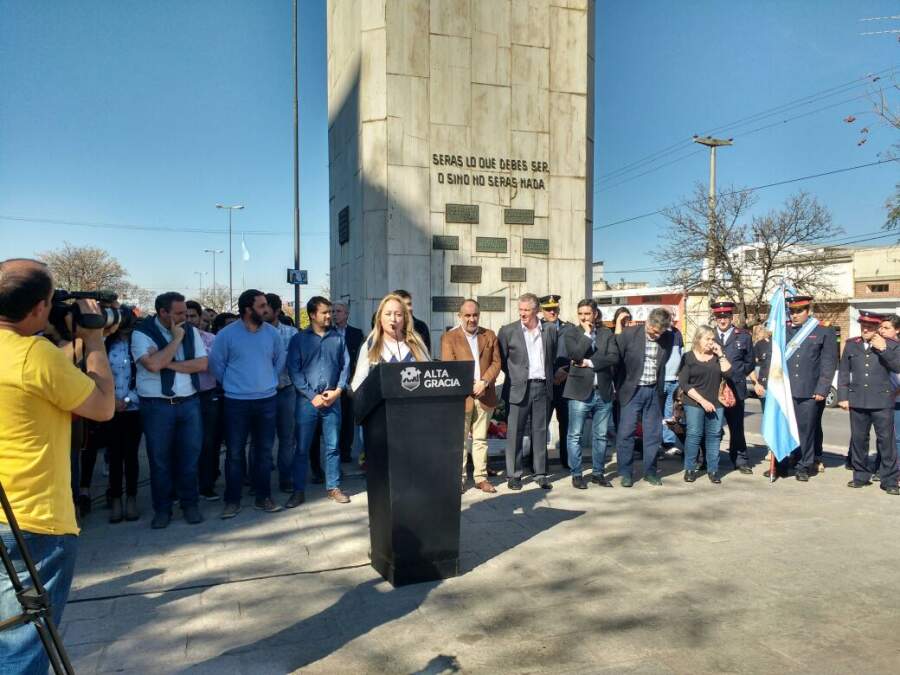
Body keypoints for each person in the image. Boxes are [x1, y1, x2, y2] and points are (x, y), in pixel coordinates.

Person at [0, 259, 115, 672]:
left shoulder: (35, 356)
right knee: (22, 646)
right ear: (36, 309)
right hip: (31, 522)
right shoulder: (35, 355)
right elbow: (102, 407)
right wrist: (95, 340)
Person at [132, 292, 208, 528]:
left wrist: (167, 363)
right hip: (157, 405)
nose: (184, 317)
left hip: (189, 403)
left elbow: (202, 364)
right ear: (162, 312)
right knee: (160, 460)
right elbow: (151, 364)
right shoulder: (141, 333)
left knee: (189, 457)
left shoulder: (191, 331)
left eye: (185, 312)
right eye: (178, 313)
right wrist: (175, 340)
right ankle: (163, 509)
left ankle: (190, 504)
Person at [209, 289, 285, 518]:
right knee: (234, 453)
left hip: (267, 401)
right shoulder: (227, 334)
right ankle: (232, 500)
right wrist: (234, 384)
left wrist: (268, 381)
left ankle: (263, 498)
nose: (266, 309)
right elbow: (216, 364)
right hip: (236, 402)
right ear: (247, 309)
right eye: (261, 306)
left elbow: (279, 360)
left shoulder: (272, 334)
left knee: (263, 452)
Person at [285, 297, 351, 507]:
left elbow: (345, 366)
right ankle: (298, 490)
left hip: (332, 401)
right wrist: (310, 395)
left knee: (332, 447)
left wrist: (338, 391)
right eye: (324, 312)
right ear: (312, 314)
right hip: (307, 402)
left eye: (331, 311)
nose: (329, 315)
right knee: (302, 448)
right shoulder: (299, 340)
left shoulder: (338, 338)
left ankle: (333, 487)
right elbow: (294, 370)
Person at [497, 293, 561, 491]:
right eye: (520, 310)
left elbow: (552, 357)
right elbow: (502, 360)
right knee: (515, 432)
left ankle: (540, 472)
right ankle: (514, 474)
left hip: (542, 386)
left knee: (540, 431)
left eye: (527, 310)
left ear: (536, 311)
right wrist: (517, 377)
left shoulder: (549, 330)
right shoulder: (508, 331)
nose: (523, 314)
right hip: (518, 388)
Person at [772, 295, 837, 481]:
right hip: (785, 390)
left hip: (809, 390)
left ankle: (804, 466)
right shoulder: (784, 332)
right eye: (791, 311)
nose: (794, 315)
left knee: (806, 431)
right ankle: (783, 463)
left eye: (799, 311)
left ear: (808, 311)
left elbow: (828, 363)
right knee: (784, 428)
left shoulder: (823, 331)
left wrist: (822, 389)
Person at [441, 299, 502, 494]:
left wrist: (484, 382)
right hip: (462, 397)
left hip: (485, 395)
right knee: (459, 440)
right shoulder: (449, 338)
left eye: (475, 315)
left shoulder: (489, 335)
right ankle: (459, 479)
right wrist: (470, 386)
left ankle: (481, 477)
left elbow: (496, 363)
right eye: (467, 315)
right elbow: (450, 367)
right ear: (460, 317)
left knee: (481, 439)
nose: (471, 319)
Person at [838, 311, 900, 495]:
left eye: (871, 327)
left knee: (886, 443)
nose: (866, 329)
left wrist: (883, 349)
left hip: (882, 401)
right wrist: (843, 396)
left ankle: (889, 480)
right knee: (858, 440)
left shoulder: (891, 345)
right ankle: (860, 476)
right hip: (857, 400)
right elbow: (843, 372)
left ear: (877, 328)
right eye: (863, 326)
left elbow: (898, 366)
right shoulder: (851, 345)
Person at [614, 307, 675, 486]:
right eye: (652, 330)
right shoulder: (629, 334)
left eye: (658, 333)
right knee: (626, 433)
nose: (654, 335)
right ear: (647, 322)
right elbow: (616, 362)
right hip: (631, 390)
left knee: (653, 435)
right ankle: (625, 472)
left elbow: (662, 363)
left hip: (653, 391)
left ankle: (650, 471)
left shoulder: (669, 338)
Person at [562, 300, 618, 489]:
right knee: (575, 435)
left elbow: (613, 357)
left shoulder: (606, 333)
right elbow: (575, 354)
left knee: (601, 435)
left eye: (587, 313)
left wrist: (590, 363)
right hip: (579, 391)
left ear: (595, 313)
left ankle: (598, 473)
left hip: (602, 391)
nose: (584, 317)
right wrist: (586, 335)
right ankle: (576, 474)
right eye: (580, 314)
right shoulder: (571, 333)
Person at [102, 310, 143, 522]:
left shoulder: (138, 344)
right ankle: (116, 498)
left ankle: (132, 498)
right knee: (114, 455)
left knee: (131, 455)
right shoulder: (105, 344)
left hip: (133, 407)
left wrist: (127, 400)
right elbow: (97, 374)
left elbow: (144, 375)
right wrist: (112, 400)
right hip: (110, 406)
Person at [679, 325, 732, 484]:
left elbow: (728, 373)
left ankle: (713, 470)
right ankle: (690, 468)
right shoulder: (688, 357)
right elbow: (684, 383)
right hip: (694, 402)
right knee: (694, 435)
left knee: (714, 436)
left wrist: (721, 354)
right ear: (698, 339)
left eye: (712, 339)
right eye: (707, 338)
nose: (711, 342)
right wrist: (702, 401)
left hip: (717, 403)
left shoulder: (717, 356)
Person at [351, 293, 431, 390]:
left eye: (398, 315)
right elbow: (357, 385)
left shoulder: (416, 344)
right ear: (380, 318)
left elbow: (429, 379)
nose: (393, 319)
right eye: (388, 314)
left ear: (405, 319)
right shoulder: (370, 345)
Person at [711, 301, 755, 474]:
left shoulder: (743, 336)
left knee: (736, 427)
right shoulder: (709, 335)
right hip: (713, 388)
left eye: (726, 316)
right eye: (719, 317)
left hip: (735, 388)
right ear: (715, 318)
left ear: (731, 317)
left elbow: (750, 362)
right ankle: (708, 458)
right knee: (712, 427)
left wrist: (736, 373)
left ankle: (740, 459)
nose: (722, 320)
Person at [187, 300, 222, 501]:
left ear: (201, 319)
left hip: (207, 395)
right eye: (186, 316)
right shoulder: (173, 340)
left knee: (209, 442)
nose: (189, 320)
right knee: (185, 444)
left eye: (193, 316)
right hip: (184, 396)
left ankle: (206, 485)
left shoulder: (211, 339)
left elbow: (209, 364)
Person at [265, 293, 299, 494]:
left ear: (277, 311)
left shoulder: (291, 333)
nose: (262, 312)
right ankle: (258, 481)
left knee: (287, 438)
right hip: (261, 394)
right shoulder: (254, 332)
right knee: (261, 440)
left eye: (266, 308)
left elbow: (296, 363)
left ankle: (286, 479)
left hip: (286, 391)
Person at [540, 294, 572, 470]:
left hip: (565, 384)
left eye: (554, 308)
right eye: (548, 309)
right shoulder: (536, 329)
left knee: (566, 424)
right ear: (542, 311)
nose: (552, 312)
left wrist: (566, 371)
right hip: (544, 386)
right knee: (541, 426)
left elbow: (577, 354)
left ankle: (567, 461)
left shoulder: (570, 329)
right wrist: (553, 373)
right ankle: (539, 464)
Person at [331, 302, 364, 463]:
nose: (334, 314)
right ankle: (333, 451)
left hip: (350, 383)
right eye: (333, 311)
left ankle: (346, 451)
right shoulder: (328, 333)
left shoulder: (356, 334)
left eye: (338, 311)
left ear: (347, 314)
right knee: (333, 420)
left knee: (348, 419)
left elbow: (359, 360)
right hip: (332, 384)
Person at [879, 314, 900, 465]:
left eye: (887, 328)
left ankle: (897, 471)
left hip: (896, 399)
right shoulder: (877, 346)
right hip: (881, 399)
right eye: (880, 327)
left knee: (897, 438)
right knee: (883, 437)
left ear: (897, 330)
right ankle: (882, 467)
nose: (882, 331)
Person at [661, 323, 685, 453]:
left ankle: (668, 443)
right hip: (660, 380)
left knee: (669, 413)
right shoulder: (659, 332)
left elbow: (681, 353)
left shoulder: (677, 333)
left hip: (674, 380)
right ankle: (656, 442)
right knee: (655, 413)